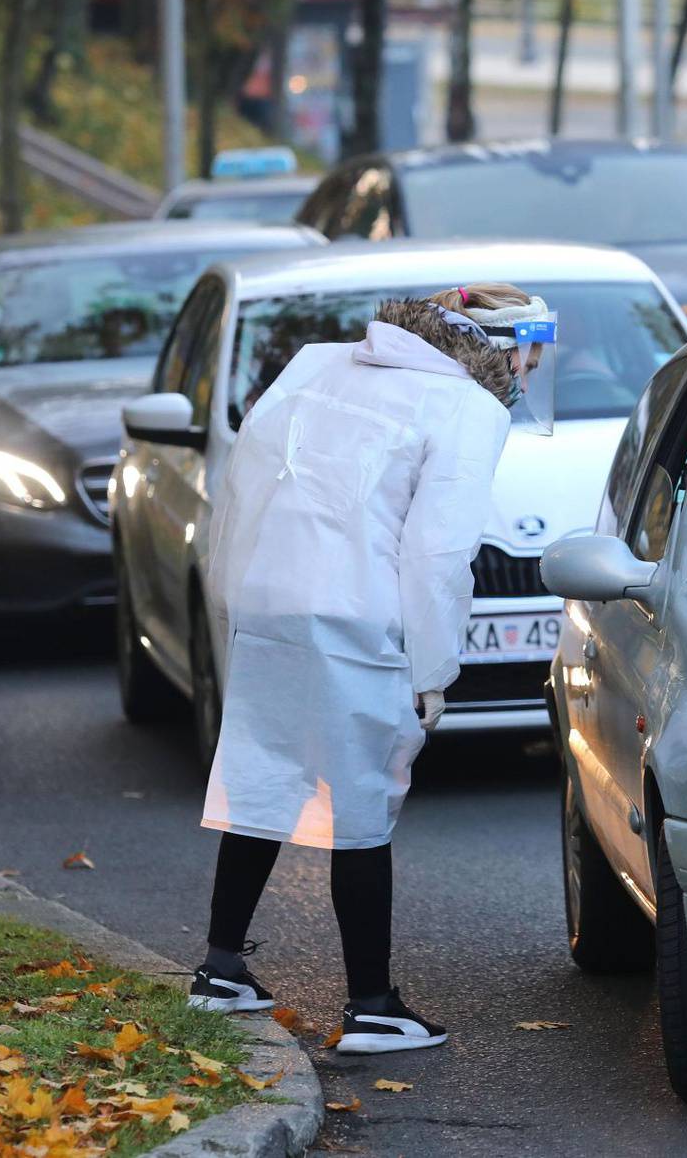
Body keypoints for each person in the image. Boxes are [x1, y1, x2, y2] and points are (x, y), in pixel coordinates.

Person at [189, 283, 548, 1055]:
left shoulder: (318, 364)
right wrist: (433, 668)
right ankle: (373, 1005)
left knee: (265, 772)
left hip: (266, 593)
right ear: (496, 349)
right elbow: (438, 554)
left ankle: (220, 968)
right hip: (358, 612)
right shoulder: (466, 409)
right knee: (363, 802)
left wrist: (230, 595)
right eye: (529, 354)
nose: (530, 372)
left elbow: (246, 481)